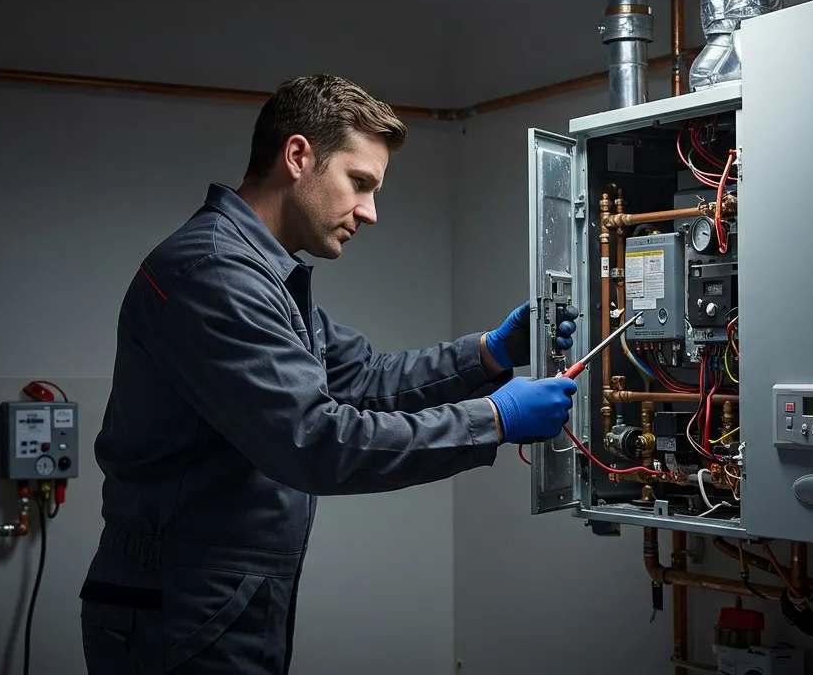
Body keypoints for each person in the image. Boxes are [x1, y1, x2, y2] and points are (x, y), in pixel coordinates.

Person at [78, 74, 581, 674]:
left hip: (216, 595)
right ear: (297, 156)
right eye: (359, 182)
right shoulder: (214, 273)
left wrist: (489, 355)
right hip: (179, 602)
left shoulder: (260, 272)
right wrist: (493, 419)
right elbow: (314, 440)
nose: (370, 212)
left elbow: (364, 378)